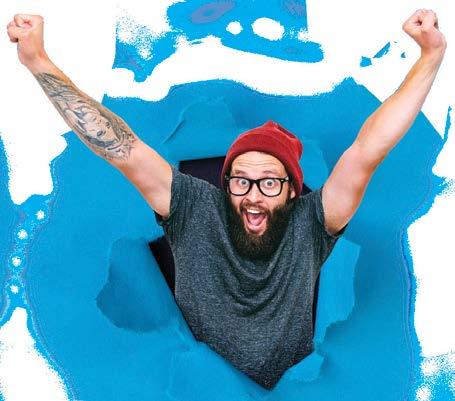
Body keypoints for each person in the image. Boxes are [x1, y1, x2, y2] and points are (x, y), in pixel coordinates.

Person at [7, 9, 446, 389]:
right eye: (241, 181)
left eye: (269, 183)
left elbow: (368, 150)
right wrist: (37, 59)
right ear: (227, 182)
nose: (253, 196)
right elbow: (122, 147)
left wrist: (430, 56)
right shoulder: (193, 208)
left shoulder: (312, 223)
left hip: (292, 383)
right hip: (195, 379)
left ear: (292, 190)